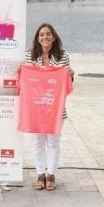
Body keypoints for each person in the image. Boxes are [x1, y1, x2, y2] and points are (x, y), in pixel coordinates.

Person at [24, 23, 73, 191]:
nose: (45, 37)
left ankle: (51, 174)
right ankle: (40, 174)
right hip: (36, 107)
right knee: (37, 142)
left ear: (54, 37)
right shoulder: (29, 56)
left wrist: (70, 75)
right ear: (37, 38)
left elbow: (66, 83)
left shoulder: (63, 56)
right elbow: (27, 81)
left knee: (53, 142)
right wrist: (20, 72)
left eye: (48, 34)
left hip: (55, 108)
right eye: (41, 34)